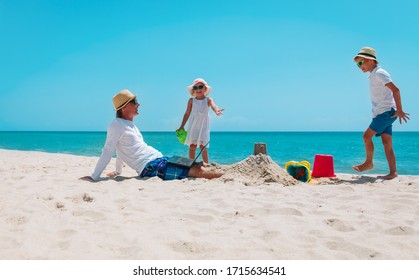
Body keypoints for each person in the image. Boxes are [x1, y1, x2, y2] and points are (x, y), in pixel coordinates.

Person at [80, 89, 224, 182]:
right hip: (151, 167)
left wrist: (118, 171)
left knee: (200, 164)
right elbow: (108, 150)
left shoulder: (130, 125)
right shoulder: (116, 124)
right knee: (198, 171)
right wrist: (94, 176)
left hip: (161, 159)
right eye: (134, 101)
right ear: (124, 107)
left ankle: (229, 171)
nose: (138, 104)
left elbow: (121, 149)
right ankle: (228, 176)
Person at [352, 47, 409, 179]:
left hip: (386, 112)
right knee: (387, 143)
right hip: (382, 112)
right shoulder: (373, 75)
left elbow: (396, 90)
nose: (359, 66)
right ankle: (393, 172)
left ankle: (368, 163)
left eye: (361, 63)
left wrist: (400, 110)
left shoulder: (379, 73)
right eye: (357, 64)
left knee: (366, 137)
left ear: (371, 60)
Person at [177, 78, 224, 164]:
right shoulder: (191, 100)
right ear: (193, 90)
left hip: (204, 126)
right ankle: (191, 164)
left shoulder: (208, 99)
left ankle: (206, 165)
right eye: (195, 87)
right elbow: (187, 113)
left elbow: (213, 105)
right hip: (194, 125)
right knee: (192, 146)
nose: (198, 89)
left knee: (203, 147)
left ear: (205, 88)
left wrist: (217, 111)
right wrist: (182, 126)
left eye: (200, 87)